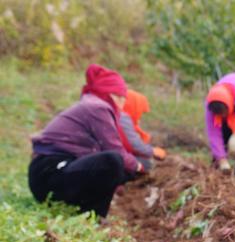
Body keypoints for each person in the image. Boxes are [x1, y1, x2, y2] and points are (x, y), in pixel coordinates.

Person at [28, 64, 143, 218]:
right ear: (114, 96)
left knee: (118, 168)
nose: (122, 107)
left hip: (49, 174)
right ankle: (95, 217)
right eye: (122, 99)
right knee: (113, 161)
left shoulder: (91, 103)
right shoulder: (98, 107)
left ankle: (88, 214)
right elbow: (116, 150)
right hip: (49, 175)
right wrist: (138, 166)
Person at [119, 89, 167, 171]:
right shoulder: (122, 118)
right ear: (133, 106)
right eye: (140, 111)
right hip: (112, 158)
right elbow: (134, 145)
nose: (140, 117)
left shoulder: (115, 114)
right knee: (146, 163)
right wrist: (153, 151)